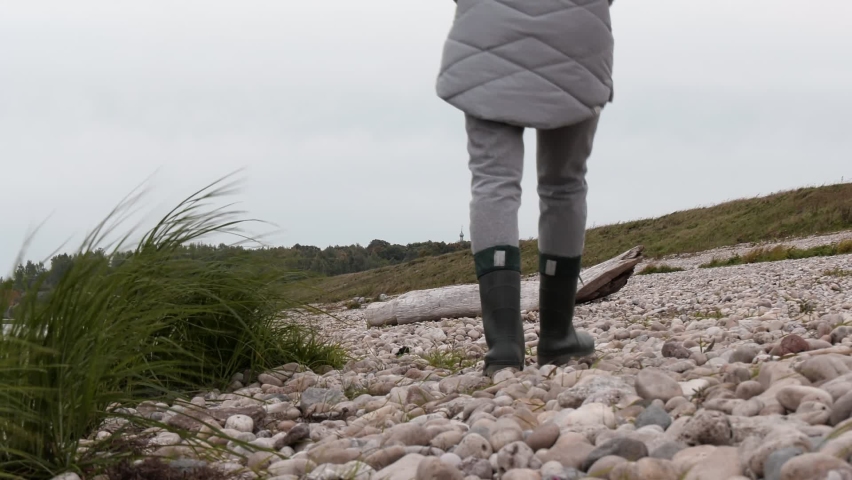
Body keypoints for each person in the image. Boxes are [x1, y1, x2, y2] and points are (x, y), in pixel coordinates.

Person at [435, 0, 615, 377]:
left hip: (487, 31)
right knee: (564, 186)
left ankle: (503, 346)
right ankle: (557, 336)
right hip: (575, 32)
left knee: (492, 181)